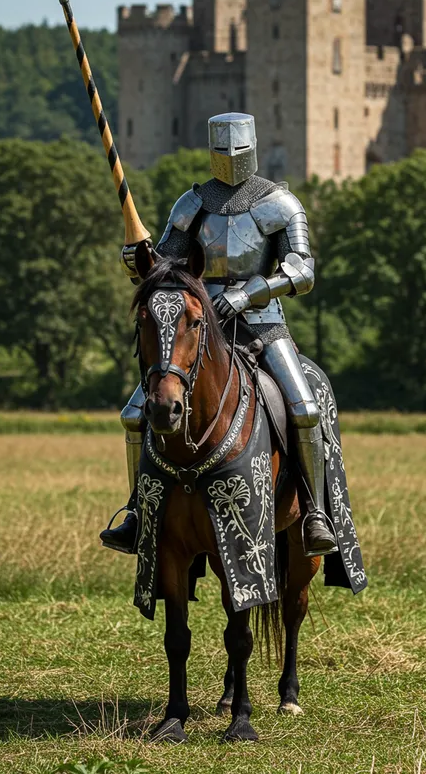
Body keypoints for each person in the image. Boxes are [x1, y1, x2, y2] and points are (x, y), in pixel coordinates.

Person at [101, 112, 337, 558]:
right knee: (134, 414)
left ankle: (313, 513)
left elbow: (302, 270)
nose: (230, 158)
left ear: (252, 148)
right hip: (198, 324)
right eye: (222, 150)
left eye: (237, 149)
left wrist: (248, 294)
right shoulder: (192, 204)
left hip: (263, 321)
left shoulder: (280, 203)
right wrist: (136, 260)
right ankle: (139, 511)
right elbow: (165, 270)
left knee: (304, 408)